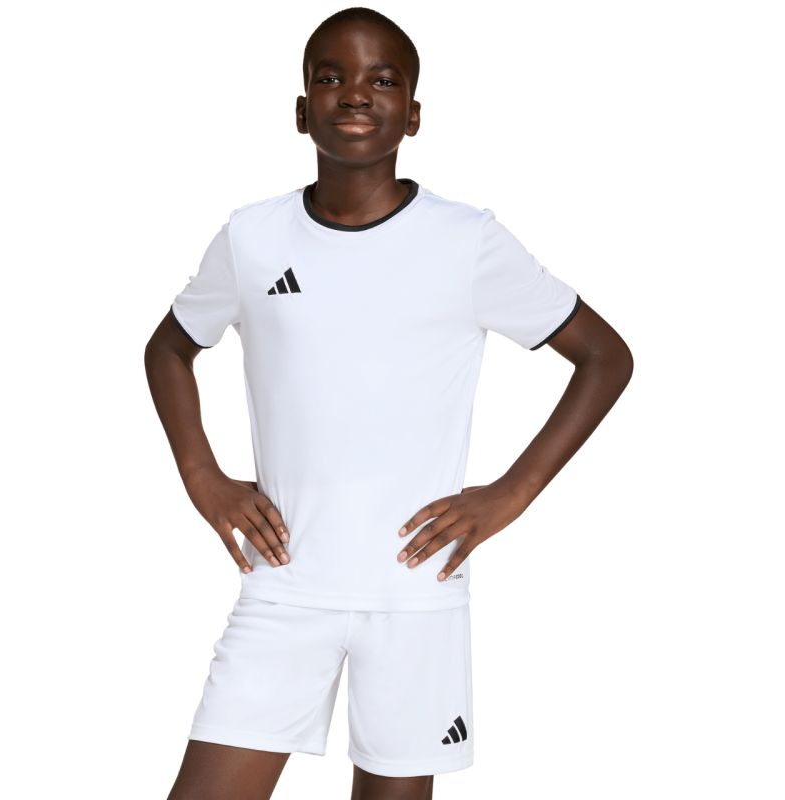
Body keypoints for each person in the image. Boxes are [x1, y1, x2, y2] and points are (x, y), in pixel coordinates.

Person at [144, 6, 633, 799]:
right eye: (330, 77)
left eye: (383, 79)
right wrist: (203, 476)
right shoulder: (252, 237)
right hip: (284, 582)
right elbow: (169, 347)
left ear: (413, 114)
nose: (355, 93)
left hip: (415, 589)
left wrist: (511, 494)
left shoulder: (467, 240)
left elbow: (605, 358)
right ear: (301, 110)